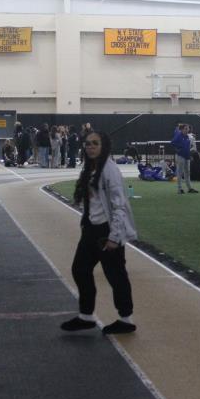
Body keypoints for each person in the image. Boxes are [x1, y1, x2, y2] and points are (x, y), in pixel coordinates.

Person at [60, 131, 138, 336]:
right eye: (87, 144)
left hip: (107, 230)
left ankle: (126, 319)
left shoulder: (110, 170)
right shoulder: (90, 167)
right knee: (80, 269)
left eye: (95, 143)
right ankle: (86, 316)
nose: (90, 147)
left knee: (116, 275)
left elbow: (119, 205)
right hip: (91, 229)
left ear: (104, 146)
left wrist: (115, 236)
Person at [172, 123, 197, 194]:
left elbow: (190, 146)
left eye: (188, 128)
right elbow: (173, 143)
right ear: (182, 129)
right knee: (180, 173)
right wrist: (179, 151)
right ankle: (179, 189)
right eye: (186, 128)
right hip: (180, 156)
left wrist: (190, 153)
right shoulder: (178, 136)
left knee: (187, 172)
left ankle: (189, 188)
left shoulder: (188, 137)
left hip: (187, 156)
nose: (187, 130)